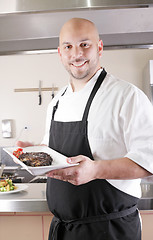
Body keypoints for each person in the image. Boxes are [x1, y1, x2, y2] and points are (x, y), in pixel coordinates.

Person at [17, 18, 153, 240]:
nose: (76, 54)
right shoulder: (57, 101)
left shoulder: (127, 96)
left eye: (84, 44)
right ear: (59, 53)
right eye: (68, 46)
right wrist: (34, 152)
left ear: (99, 47)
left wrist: (96, 170)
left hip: (111, 231)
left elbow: (149, 161)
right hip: (64, 230)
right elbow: (53, 151)